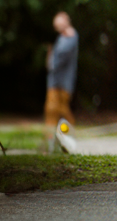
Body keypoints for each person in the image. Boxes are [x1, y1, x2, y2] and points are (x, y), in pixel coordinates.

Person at [45, 11, 78, 150]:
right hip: (55, 81)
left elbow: (59, 59)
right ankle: (50, 139)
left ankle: (68, 136)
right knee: (51, 110)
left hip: (64, 81)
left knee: (62, 110)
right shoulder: (62, 37)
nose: (56, 28)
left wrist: (51, 56)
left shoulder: (71, 37)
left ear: (65, 22)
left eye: (58, 24)